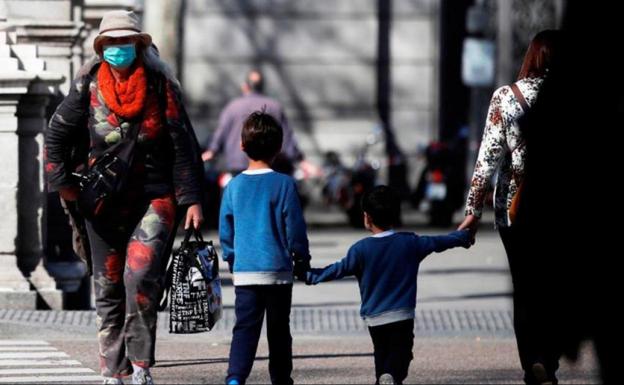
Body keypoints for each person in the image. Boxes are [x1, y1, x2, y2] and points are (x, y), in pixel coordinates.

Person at [45, 10, 204, 385]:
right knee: (108, 284)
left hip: (154, 197)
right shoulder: (87, 86)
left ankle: (141, 366)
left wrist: (192, 198)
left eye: (125, 41)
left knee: (142, 277)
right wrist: (64, 184)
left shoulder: (161, 86)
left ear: (139, 45)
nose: (119, 48)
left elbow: (183, 144)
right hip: (101, 203)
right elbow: (56, 136)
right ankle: (112, 370)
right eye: (112, 42)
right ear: (102, 47)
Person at [458, 30, 562, 385]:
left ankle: (533, 359)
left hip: (517, 209)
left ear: (531, 57)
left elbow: (488, 158)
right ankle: (550, 358)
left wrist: (473, 210)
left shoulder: (507, 96)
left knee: (525, 285)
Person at [305, 186, 472, 385]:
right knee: (402, 355)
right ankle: (390, 375)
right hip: (402, 314)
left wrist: (309, 275)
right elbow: (439, 242)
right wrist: (463, 237)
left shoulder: (360, 249)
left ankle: (384, 377)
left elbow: (336, 270)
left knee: (381, 353)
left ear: (367, 218)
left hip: (374, 318)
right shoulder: (410, 242)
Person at [219, 111, 311, 385]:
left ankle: (235, 377)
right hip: (278, 272)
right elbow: (295, 228)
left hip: (246, 271)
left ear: (242, 146)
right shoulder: (284, 184)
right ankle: (281, 378)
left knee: (244, 329)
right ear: (279, 148)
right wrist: (301, 259)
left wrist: (231, 258)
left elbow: (226, 229)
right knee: (279, 330)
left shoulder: (234, 186)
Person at [202, 69, 304, 175]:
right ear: (262, 86)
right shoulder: (275, 107)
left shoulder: (232, 107)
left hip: (237, 166)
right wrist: (300, 160)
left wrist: (211, 151)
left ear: (245, 86)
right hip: (267, 167)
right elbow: (287, 138)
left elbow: (220, 133)